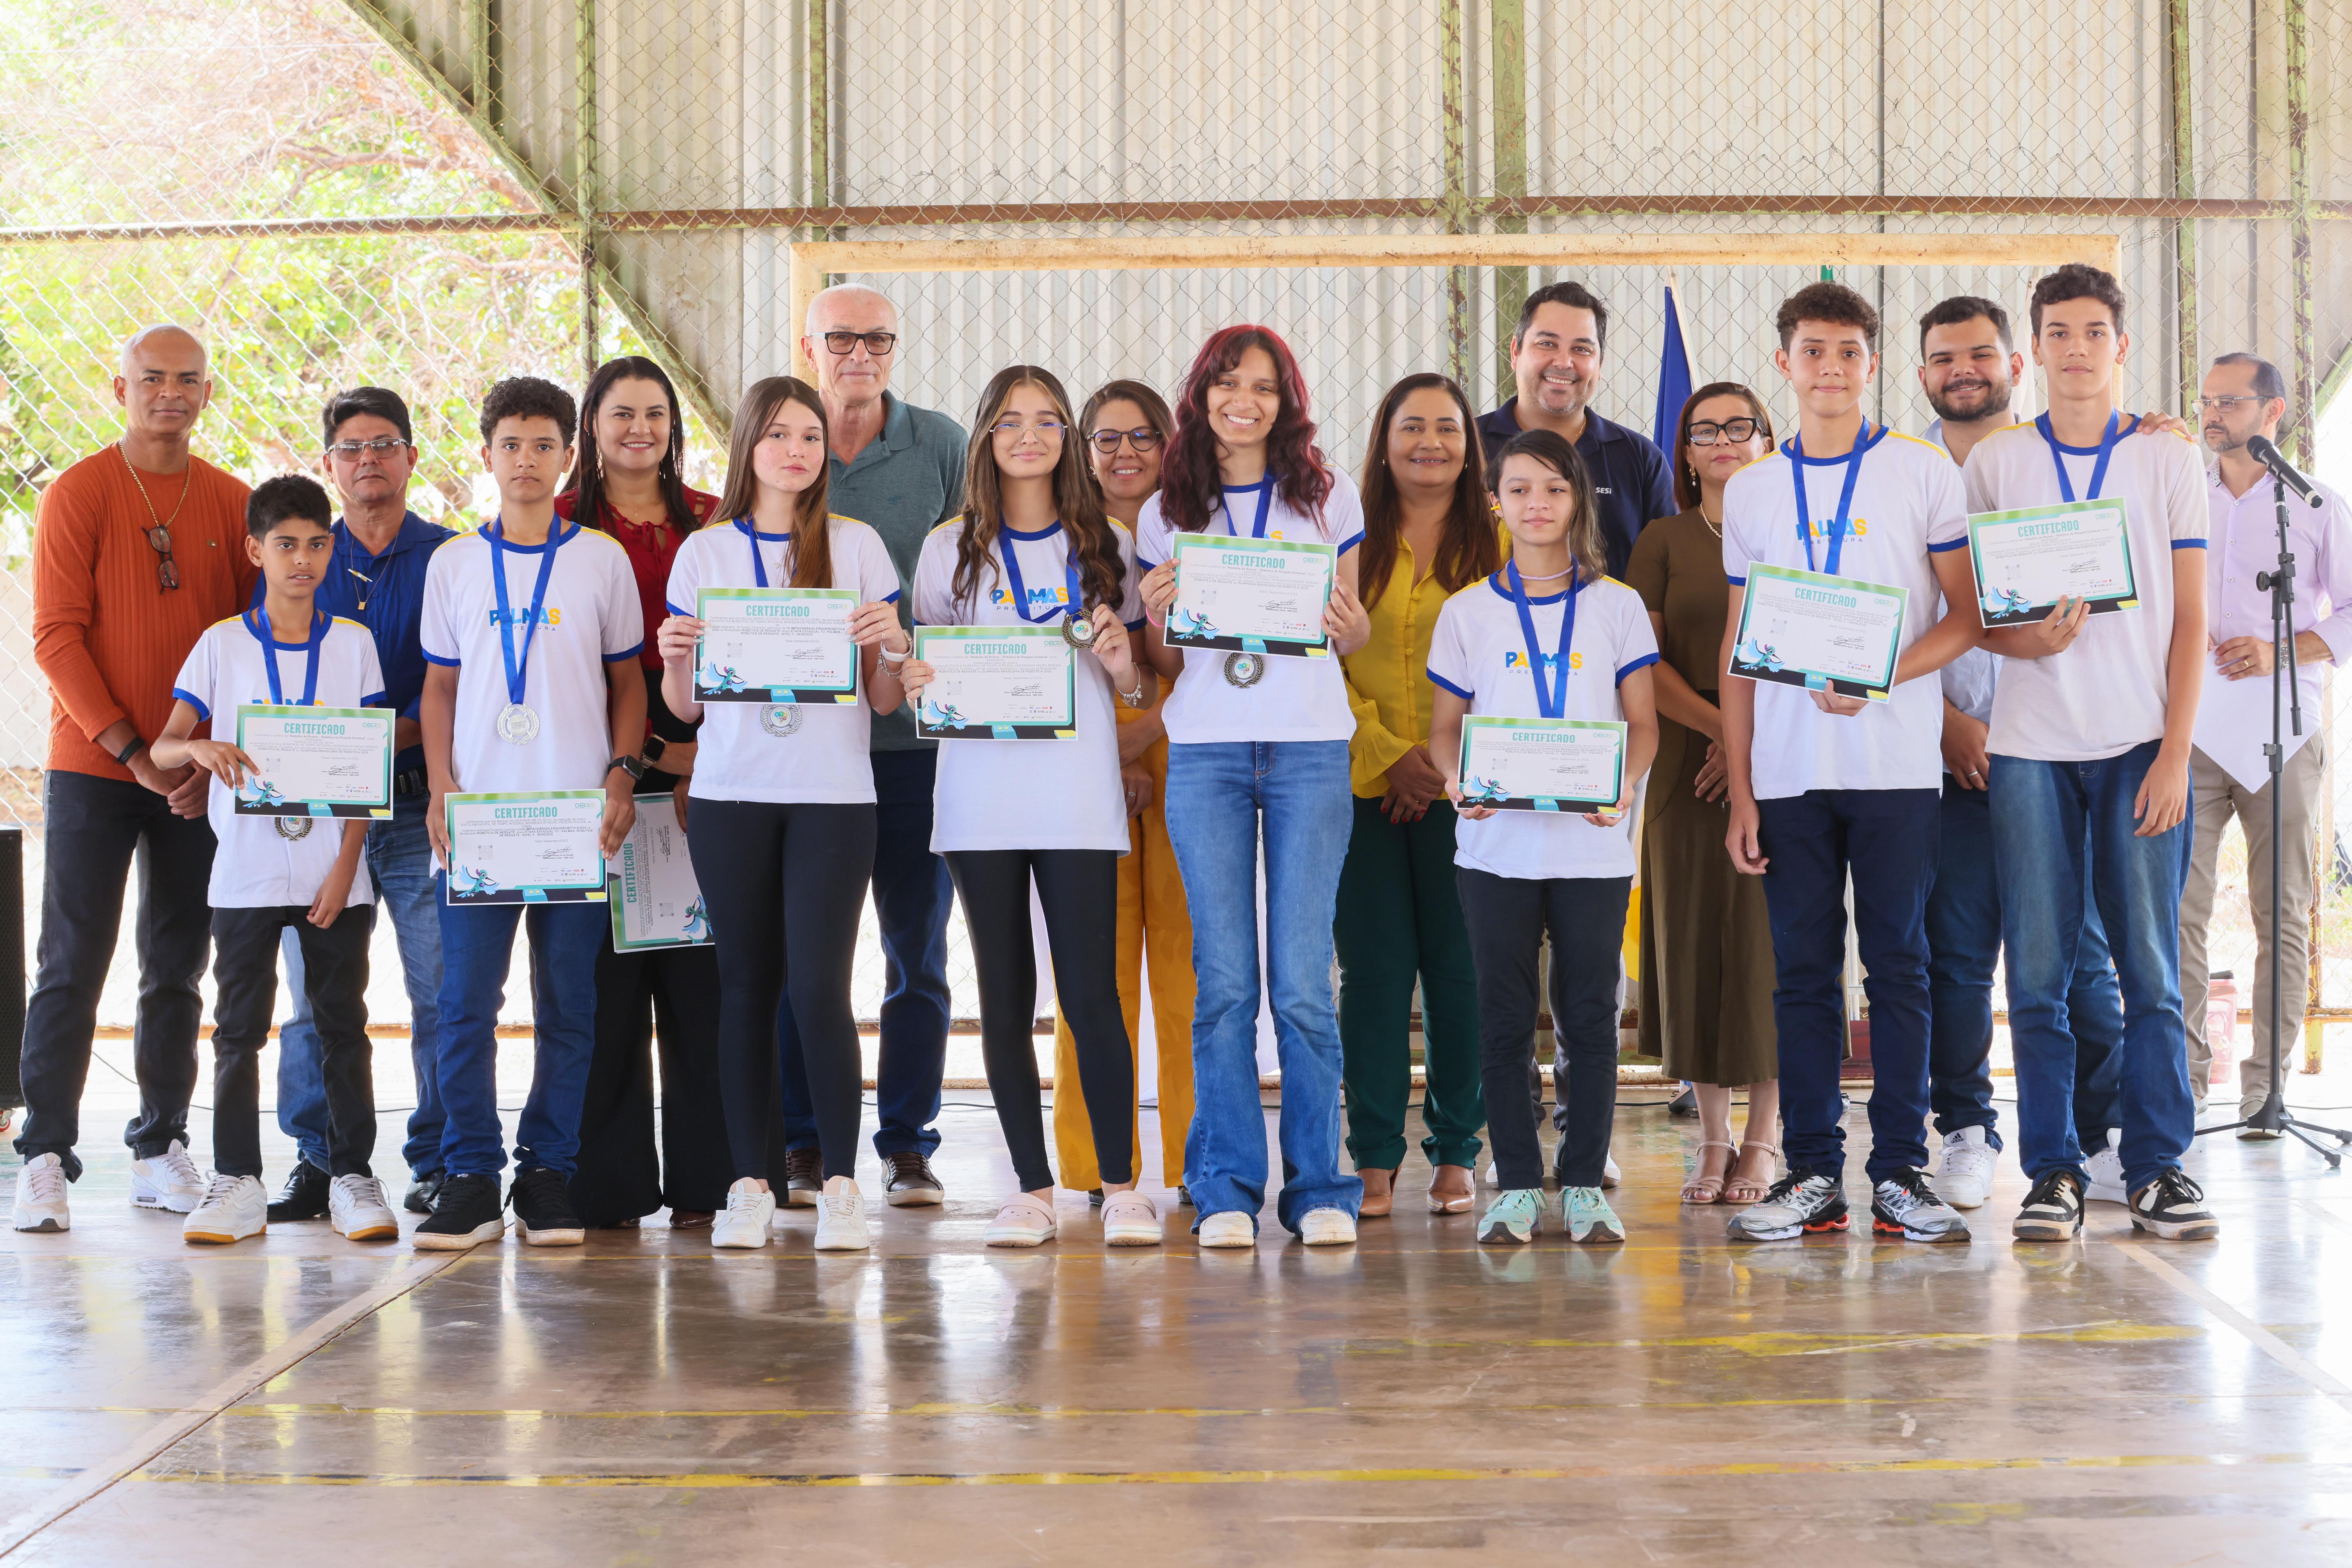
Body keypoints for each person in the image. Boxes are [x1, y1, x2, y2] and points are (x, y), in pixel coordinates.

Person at [1719, 282, 1982, 1246]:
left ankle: (1899, 1171)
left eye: (1845, 351)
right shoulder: (1749, 490)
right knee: (1798, 973)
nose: (1828, 368)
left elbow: (1963, 616)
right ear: (1782, 363)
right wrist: (1740, 786)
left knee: (1898, 967)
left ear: (1869, 365)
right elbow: (1739, 646)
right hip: (1787, 772)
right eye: (1810, 351)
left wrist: (1875, 675)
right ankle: (1812, 1172)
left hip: (1892, 762)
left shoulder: (1918, 473)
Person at [1964, 263, 2213, 1243]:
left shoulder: (2164, 458)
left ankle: (2157, 1167)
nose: (2075, 349)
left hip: (2140, 745)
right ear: (2032, 354)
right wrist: (2020, 640)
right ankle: (2052, 1171)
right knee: (2035, 971)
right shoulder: (1994, 463)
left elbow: (2190, 619)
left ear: (2119, 346)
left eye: (2092, 331)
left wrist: (2173, 752)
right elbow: (1974, 613)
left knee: (2148, 968)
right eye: (2056, 333)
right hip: (2028, 747)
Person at [902, 366, 1157, 1247]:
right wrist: (914, 679)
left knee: (1092, 997)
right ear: (984, 438)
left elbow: (1132, 682)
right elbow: (920, 680)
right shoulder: (947, 549)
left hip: (1077, 800)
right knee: (1005, 1000)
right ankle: (1030, 1187)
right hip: (979, 804)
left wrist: (1123, 664)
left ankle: (1121, 1185)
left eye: (1049, 420)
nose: (1029, 436)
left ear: (1067, 440)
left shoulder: (1104, 542)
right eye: (1010, 421)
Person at [657, 375, 910, 1252]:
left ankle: (841, 1184)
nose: (796, 450)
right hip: (732, 796)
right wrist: (674, 658)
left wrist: (890, 650)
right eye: (777, 435)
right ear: (748, 449)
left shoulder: (859, 547)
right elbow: (686, 709)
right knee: (745, 990)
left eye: (809, 435)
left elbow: (883, 702)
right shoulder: (707, 554)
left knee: (819, 989)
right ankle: (749, 1184)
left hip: (835, 800)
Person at [14, 324, 256, 1236]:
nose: (169, 393)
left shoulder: (233, 502)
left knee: (177, 965)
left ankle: (159, 1147)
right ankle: (46, 1152)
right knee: (71, 960)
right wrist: (134, 754)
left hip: (195, 774)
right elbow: (56, 637)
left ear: (206, 392)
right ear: (120, 390)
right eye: (151, 378)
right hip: (97, 766)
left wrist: (197, 756)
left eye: (187, 379)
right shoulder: (78, 493)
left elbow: (246, 644)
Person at [1135, 325, 1372, 1248]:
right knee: (1225, 981)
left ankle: (1319, 1187)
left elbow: (1344, 638)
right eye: (1230, 383)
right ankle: (1225, 1186)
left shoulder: (1327, 493)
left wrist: (1347, 625)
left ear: (1288, 400)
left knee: (1305, 983)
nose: (1247, 400)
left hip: (1312, 745)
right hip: (1209, 752)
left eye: (1265, 387)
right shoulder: (1168, 506)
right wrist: (1158, 614)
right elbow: (1171, 655)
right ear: (1201, 394)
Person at [411, 377, 647, 1250]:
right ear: (486, 454)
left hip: (574, 821)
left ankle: (546, 1171)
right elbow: (438, 689)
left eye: (543, 445)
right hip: (477, 824)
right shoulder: (454, 565)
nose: (526, 460)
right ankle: (469, 1174)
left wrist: (621, 778)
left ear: (568, 457)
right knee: (465, 1002)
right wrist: (440, 783)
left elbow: (629, 682)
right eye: (510, 444)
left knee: (569, 1005)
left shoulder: (600, 560)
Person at [1913, 298, 2126, 1210]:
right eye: (1944, 357)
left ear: (2017, 363)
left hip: (2057, 754)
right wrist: (1945, 724)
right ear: (1920, 373)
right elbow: (1891, 621)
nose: (1964, 369)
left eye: (1981, 354)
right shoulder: (1902, 473)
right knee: (1958, 956)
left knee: (2080, 957)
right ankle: (1967, 1127)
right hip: (1952, 756)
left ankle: (2099, 1132)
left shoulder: (2069, 461)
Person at [150, 475, 396, 1245]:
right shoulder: (223, 644)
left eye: (318, 543)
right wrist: (197, 744)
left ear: (333, 548)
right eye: (285, 544)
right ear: (256, 549)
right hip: (248, 871)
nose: (303, 559)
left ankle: (352, 1174)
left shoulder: (354, 644)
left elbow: (368, 766)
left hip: (333, 870)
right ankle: (236, 1180)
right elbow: (163, 744)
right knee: (237, 1029)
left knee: (341, 1023)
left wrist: (344, 864)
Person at [1436, 431, 1660, 1244]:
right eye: (1520, 489)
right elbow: (1443, 730)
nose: (1538, 504)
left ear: (1578, 501)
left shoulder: (1618, 606)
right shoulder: (1466, 612)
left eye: (1554, 489)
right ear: (1496, 502)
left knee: (1591, 1016)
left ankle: (1586, 1180)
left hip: (1592, 847)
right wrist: (1457, 776)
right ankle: (1521, 1184)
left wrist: (1624, 784)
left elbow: (1643, 725)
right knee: (1502, 1019)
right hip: (1496, 850)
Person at [775, 284, 967, 1208]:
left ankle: (907, 1143)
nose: (859, 354)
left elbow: (980, 561)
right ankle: (807, 1140)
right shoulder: (786, 439)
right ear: (809, 346)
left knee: (916, 952)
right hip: (809, 754)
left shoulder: (936, 443)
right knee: (805, 958)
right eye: (840, 338)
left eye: (877, 338)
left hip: (915, 747)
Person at [554, 356, 737, 1231]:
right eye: (621, 412)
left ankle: (715, 1183)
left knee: (704, 987)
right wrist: (643, 759)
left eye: (656, 413)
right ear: (590, 425)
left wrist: (700, 759)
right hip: (603, 787)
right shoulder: (554, 528)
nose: (640, 429)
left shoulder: (715, 522)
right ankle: (608, 1187)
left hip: (713, 783)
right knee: (605, 992)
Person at [266, 388, 455, 1227]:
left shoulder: (451, 558)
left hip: (416, 809)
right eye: (350, 448)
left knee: (440, 989)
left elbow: (457, 686)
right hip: (320, 815)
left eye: (384, 444)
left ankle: (441, 1157)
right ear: (330, 466)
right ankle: (322, 1157)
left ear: (412, 457)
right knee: (314, 998)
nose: (368, 460)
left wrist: (386, 738)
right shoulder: (305, 559)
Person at [1335, 373, 1501, 1218]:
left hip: (1469, 792)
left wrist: (1439, 762)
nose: (1430, 442)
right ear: (1384, 438)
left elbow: (1525, 662)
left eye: (1447, 427)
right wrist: (1386, 751)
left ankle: (1457, 1147)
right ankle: (1371, 1151)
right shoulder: (1344, 535)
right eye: (1412, 427)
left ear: (1471, 442)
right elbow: (1314, 658)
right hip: (1362, 785)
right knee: (1371, 974)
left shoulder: (1503, 537)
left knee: (1459, 971)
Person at [2181, 353, 2352, 1136]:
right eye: (2207, 400)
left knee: (2277, 910)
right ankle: (2179, 1083)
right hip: (2187, 730)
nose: (2213, 413)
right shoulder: (2182, 494)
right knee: (2175, 910)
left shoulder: (2313, 503)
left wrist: (2278, 650)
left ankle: (2263, 1091)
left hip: (2284, 729)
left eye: (2230, 400)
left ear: (2273, 411)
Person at [1624, 384, 1780, 1206]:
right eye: (1704, 430)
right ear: (1682, 452)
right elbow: (1643, 663)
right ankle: (1714, 1142)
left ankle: (1765, 1141)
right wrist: (1726, 730)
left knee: (1768, 952)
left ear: (1766, 438)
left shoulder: (1791, 528)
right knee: (1693, 954)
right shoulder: (1662, 539)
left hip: (1782, 763)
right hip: (1688, 766)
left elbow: (1808, 636)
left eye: (1739, 426)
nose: (1723, 440)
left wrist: (1751, 741)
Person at [1050, 380, 1198, 1204]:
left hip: (1180, 758)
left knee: (1185, 969)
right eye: (1107, 439)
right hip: (1082, 768)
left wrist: (1143, 733)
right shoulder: (1063, 537)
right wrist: (1112, 742)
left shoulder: (1194, 529)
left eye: (1143, 436)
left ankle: (1192, 1160)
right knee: (1093, 973)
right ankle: (1094, 1165)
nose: (1126, 454)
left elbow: (1213, 658)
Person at [1475, 281, 1675, 579]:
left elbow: (1664, 576)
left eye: (1581, 349)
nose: (1564, 362)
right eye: (1547, 344)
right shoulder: (1469, 444)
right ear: (1516, 351)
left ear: (1600, 364)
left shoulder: (1642, 459)